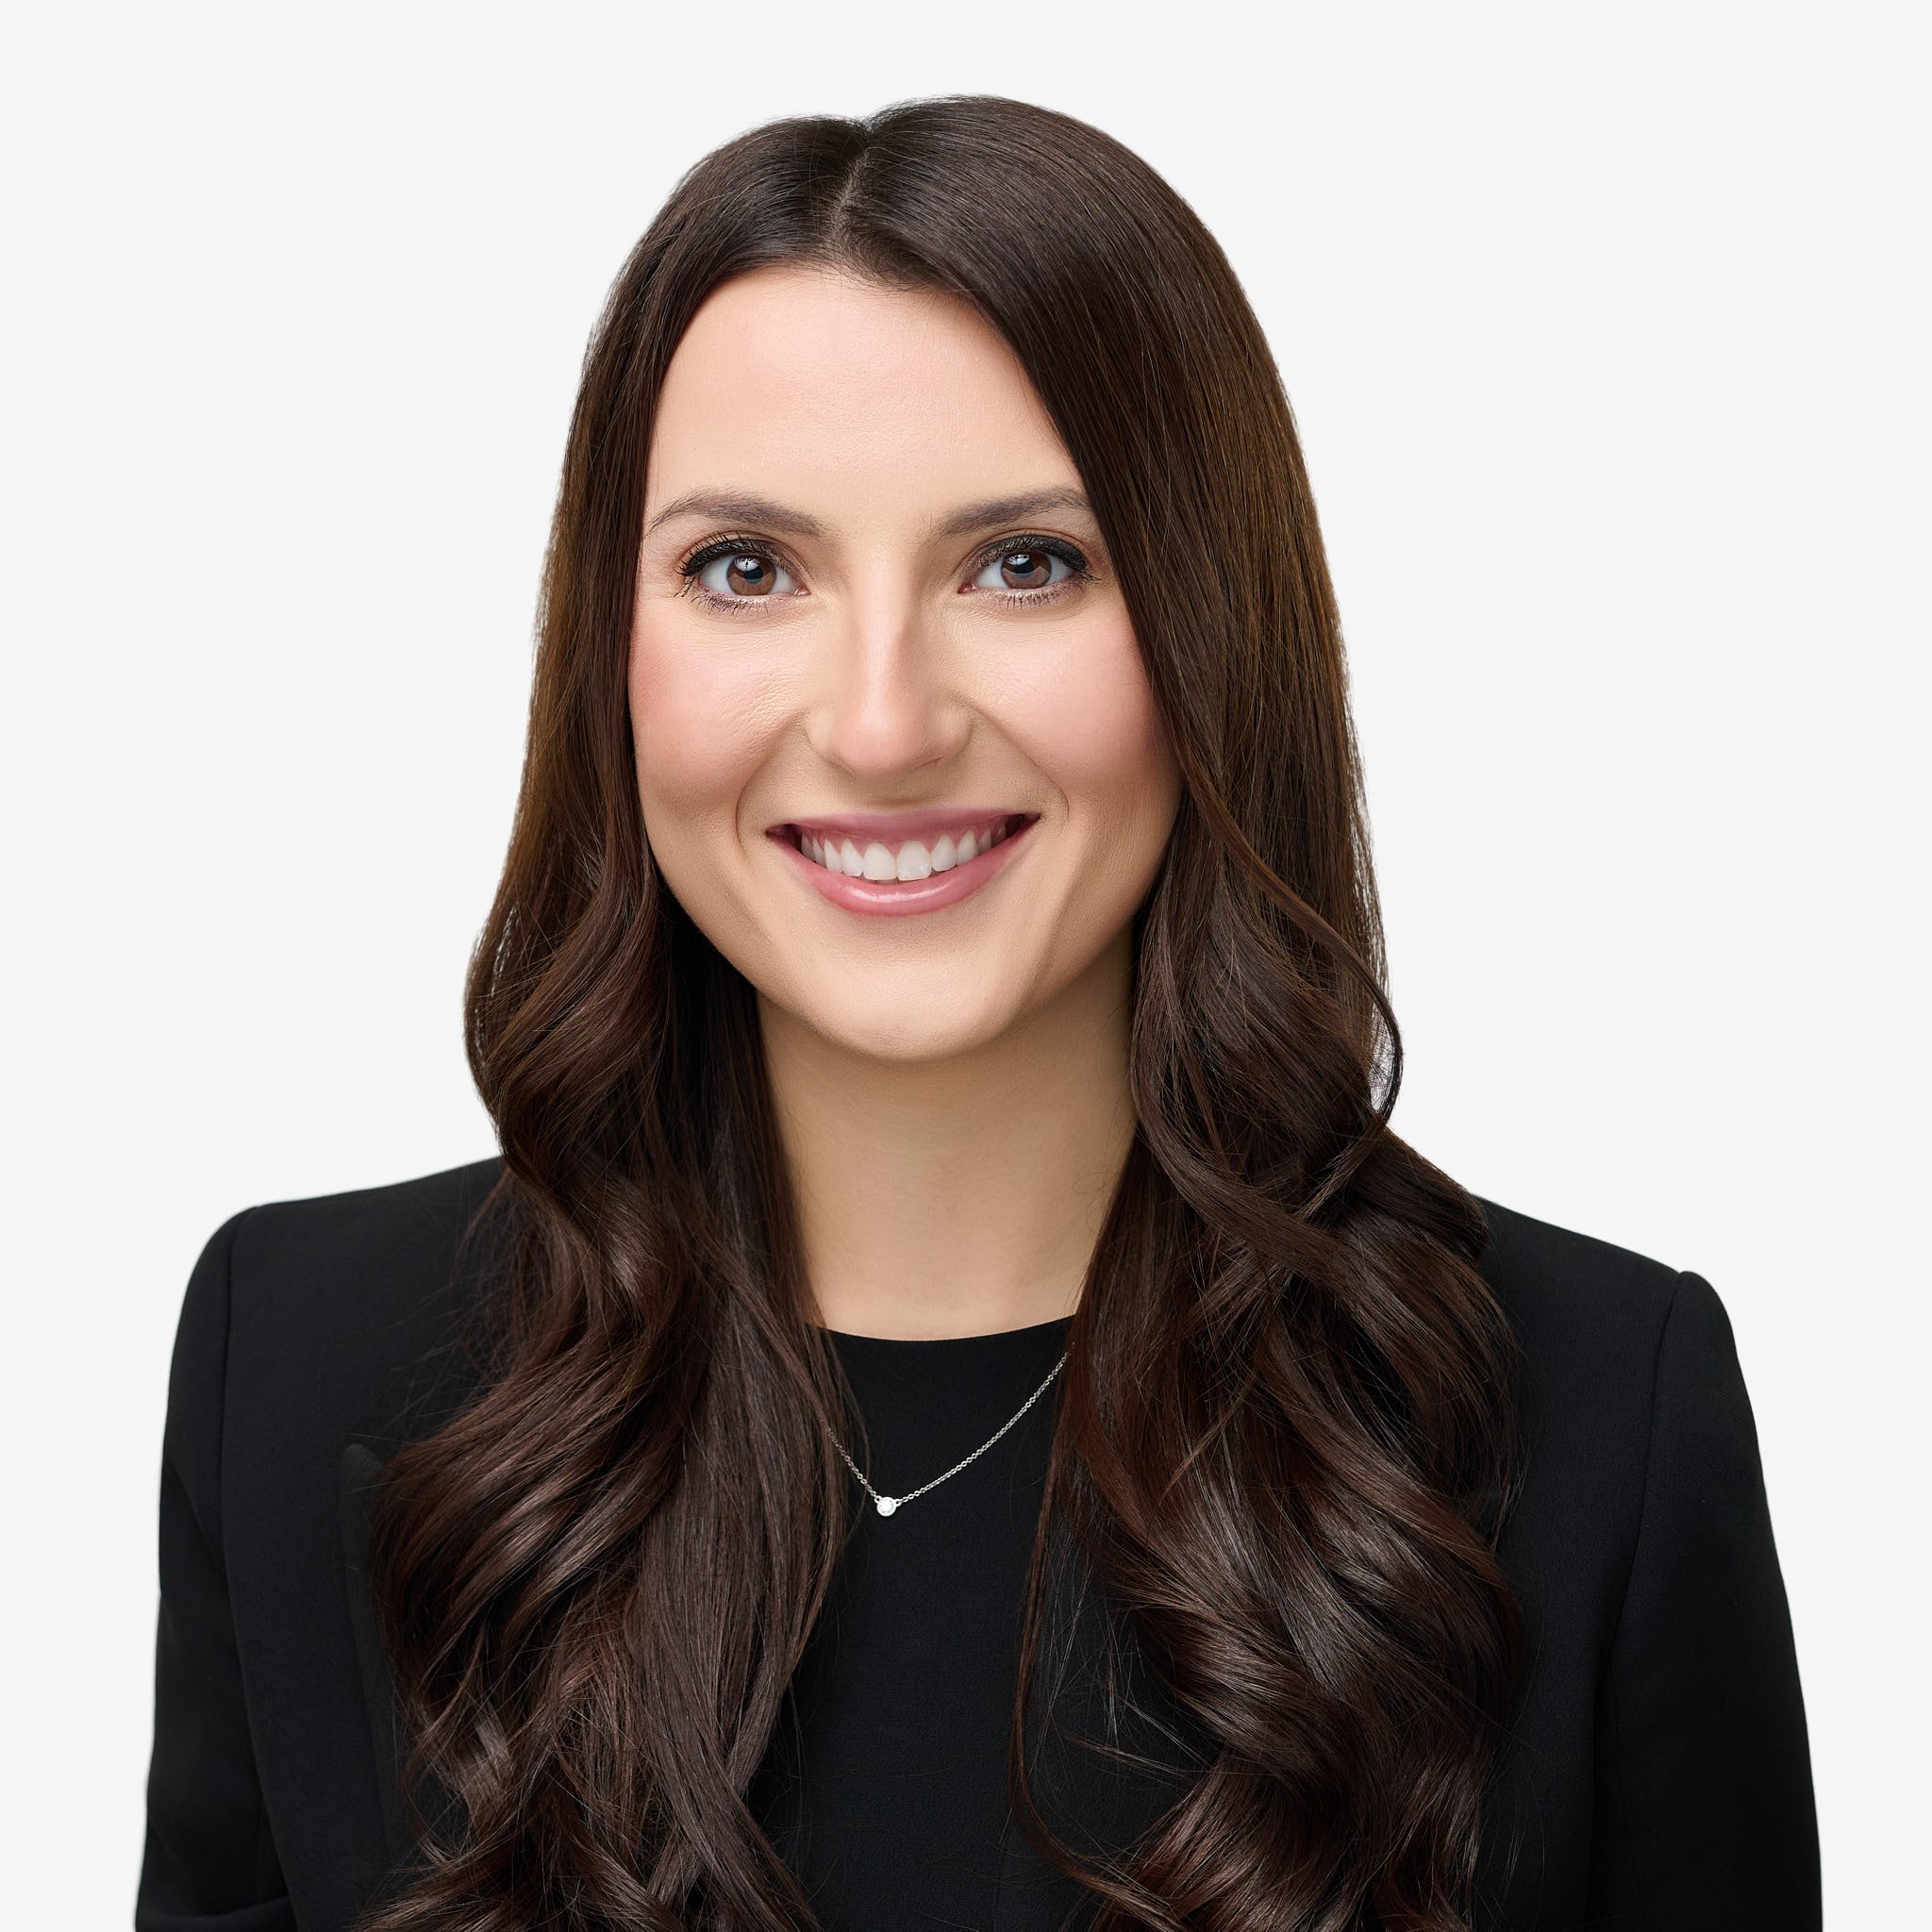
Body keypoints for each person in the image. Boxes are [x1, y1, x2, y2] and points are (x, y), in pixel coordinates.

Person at [136, 94, 1821, 1932]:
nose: (880, 722)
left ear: (1204, 626)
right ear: (610, 654)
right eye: (747, 567)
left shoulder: (1596, 1418)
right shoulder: (289, 1368)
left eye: (1023, 563)